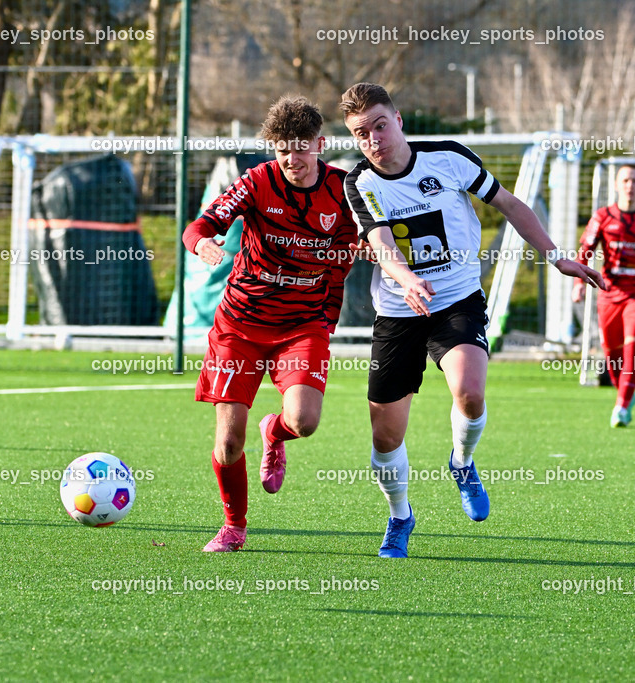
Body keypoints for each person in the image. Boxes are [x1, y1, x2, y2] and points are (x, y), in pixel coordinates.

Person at [340, 82, 605, 558]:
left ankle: (462, 462)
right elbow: (379, 242)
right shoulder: (360, 182)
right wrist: (404, 277)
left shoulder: (449, 157)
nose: (374, 139)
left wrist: (557, 257)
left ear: (398, 120)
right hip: (400, 311)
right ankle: (400, 516)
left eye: (380, 125)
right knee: (385, 435)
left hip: (457, 299)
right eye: (362, 133)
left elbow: (510, 204)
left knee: (470, 390)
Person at [183, 96, 358, 552]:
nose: (292, 159)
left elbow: (354, 249)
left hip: (301, 324)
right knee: (227, 442)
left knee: (303, 421)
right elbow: (200, 226)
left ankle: (273, 431)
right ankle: (234, 526)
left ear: (321, 144)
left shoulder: (344, 189)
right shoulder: (258, 181)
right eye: (282, 149)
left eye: (301, 149)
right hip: (240, 324)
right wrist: (202, 244)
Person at [573, 164, 635, 427]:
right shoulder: (603, 216)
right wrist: (579, 282)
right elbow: (585, 249)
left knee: (633, 345)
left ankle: (621, 405)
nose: (630, 185)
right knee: (613, 357)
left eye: (634, 180)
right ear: (617, 184)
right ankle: (625, 390)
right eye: (625, 180)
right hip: (609, 294)